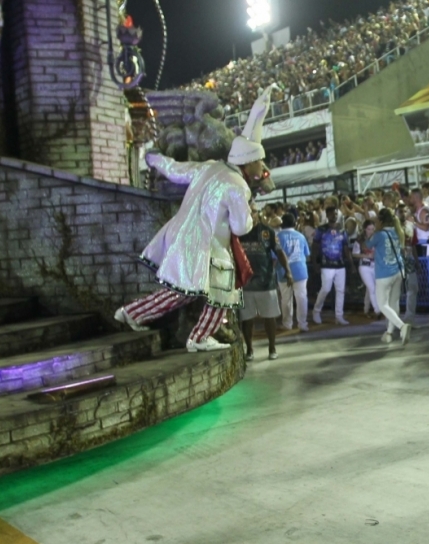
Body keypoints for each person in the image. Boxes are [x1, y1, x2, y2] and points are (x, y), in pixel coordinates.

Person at [115, 87, 273, 352]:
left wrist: (154, 158)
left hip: (181, 236)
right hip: (209, 247)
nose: (264, 168)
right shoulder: (238, 186)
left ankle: (132, 312)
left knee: (180, 292)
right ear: (250, 162)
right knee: (224, 294)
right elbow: (240, 226)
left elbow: (175, 171)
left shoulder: (209, 168)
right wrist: (252, 218)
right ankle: (199, 337)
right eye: (261, 162)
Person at [239, 218, 292, 360]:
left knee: (270, 317)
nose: (252, 215)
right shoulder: (238, 230)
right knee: (246, 319)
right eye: (249, 212)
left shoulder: (267, 231)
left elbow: (280, 252)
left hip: (266, 282)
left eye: (255, 211)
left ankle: (272, 348)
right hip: (245, 284)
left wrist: (288, 271)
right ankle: (249, 350)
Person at [365, 208, 412, 345]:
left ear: (380, 220)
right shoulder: (398, 232)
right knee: (394, 303)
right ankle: (389, 333)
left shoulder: (379, 234)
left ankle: (402, 326)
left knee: (382, 304)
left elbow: (367, 244)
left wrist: (371, 231)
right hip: (398, 271)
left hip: (384, 273)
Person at [311, 208, 352, 326]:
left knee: (340, 290)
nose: (333, 216)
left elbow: (345, 247)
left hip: (340, 264)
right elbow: (315, 246)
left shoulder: (342, 230)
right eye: (331, 214)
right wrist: (315, 263)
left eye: (335, 214)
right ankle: (316, 311)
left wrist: (350, 263)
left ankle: (339, 315)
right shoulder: (321, 229)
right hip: (326, 264)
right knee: (326, 289)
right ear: (327, 215)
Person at [276, 213, 311, 332]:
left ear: (281, 223)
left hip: (283, 271)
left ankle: (287, 323)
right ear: (295, 223)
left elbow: (275, 257)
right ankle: (303, 324)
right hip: (300, 270)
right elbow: (307, 254)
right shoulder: (300, 236)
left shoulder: (278, 236)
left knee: (286, 299)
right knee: (302, 298)